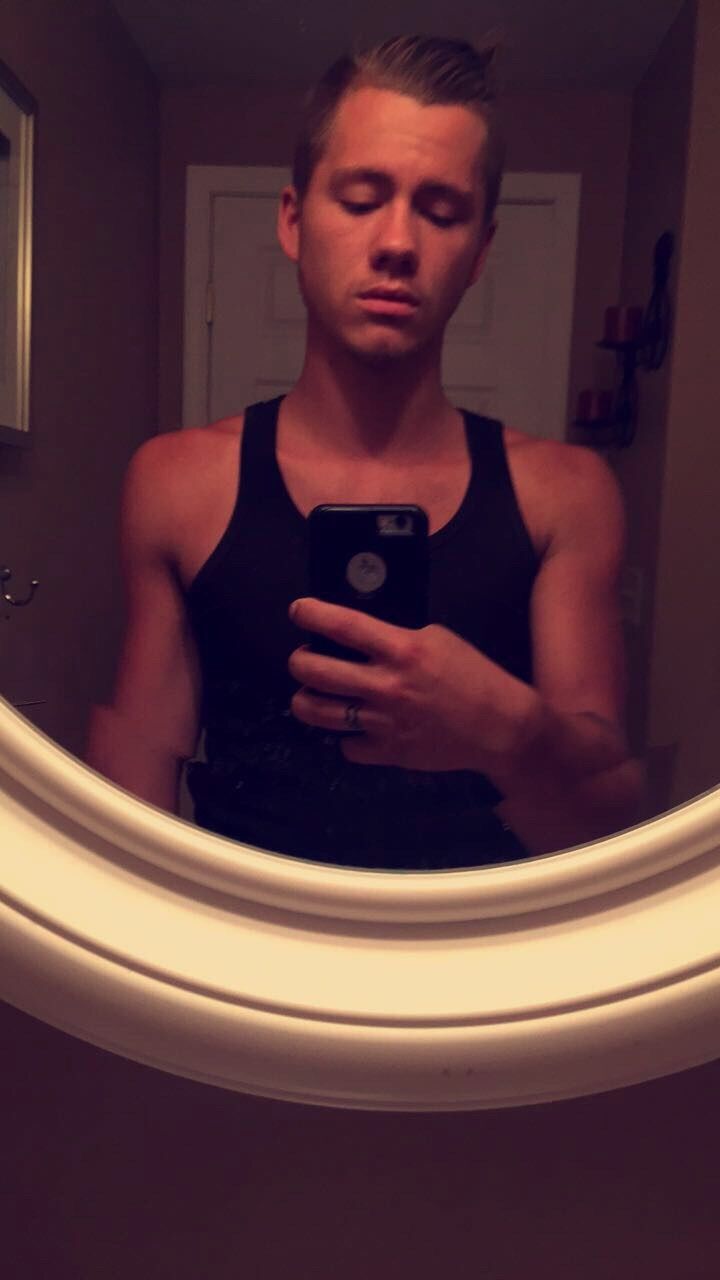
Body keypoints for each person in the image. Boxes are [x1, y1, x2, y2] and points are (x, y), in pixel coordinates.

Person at [86, 35, 643, 870]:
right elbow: (135, 790)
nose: (397, 243)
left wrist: (501, 728)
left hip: (481, 942)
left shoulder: (566, 494)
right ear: (293, 219)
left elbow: (604, 835)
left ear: (481, 251)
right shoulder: (177, 483)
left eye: (441, 212)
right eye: (360, 199)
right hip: (235, 941)